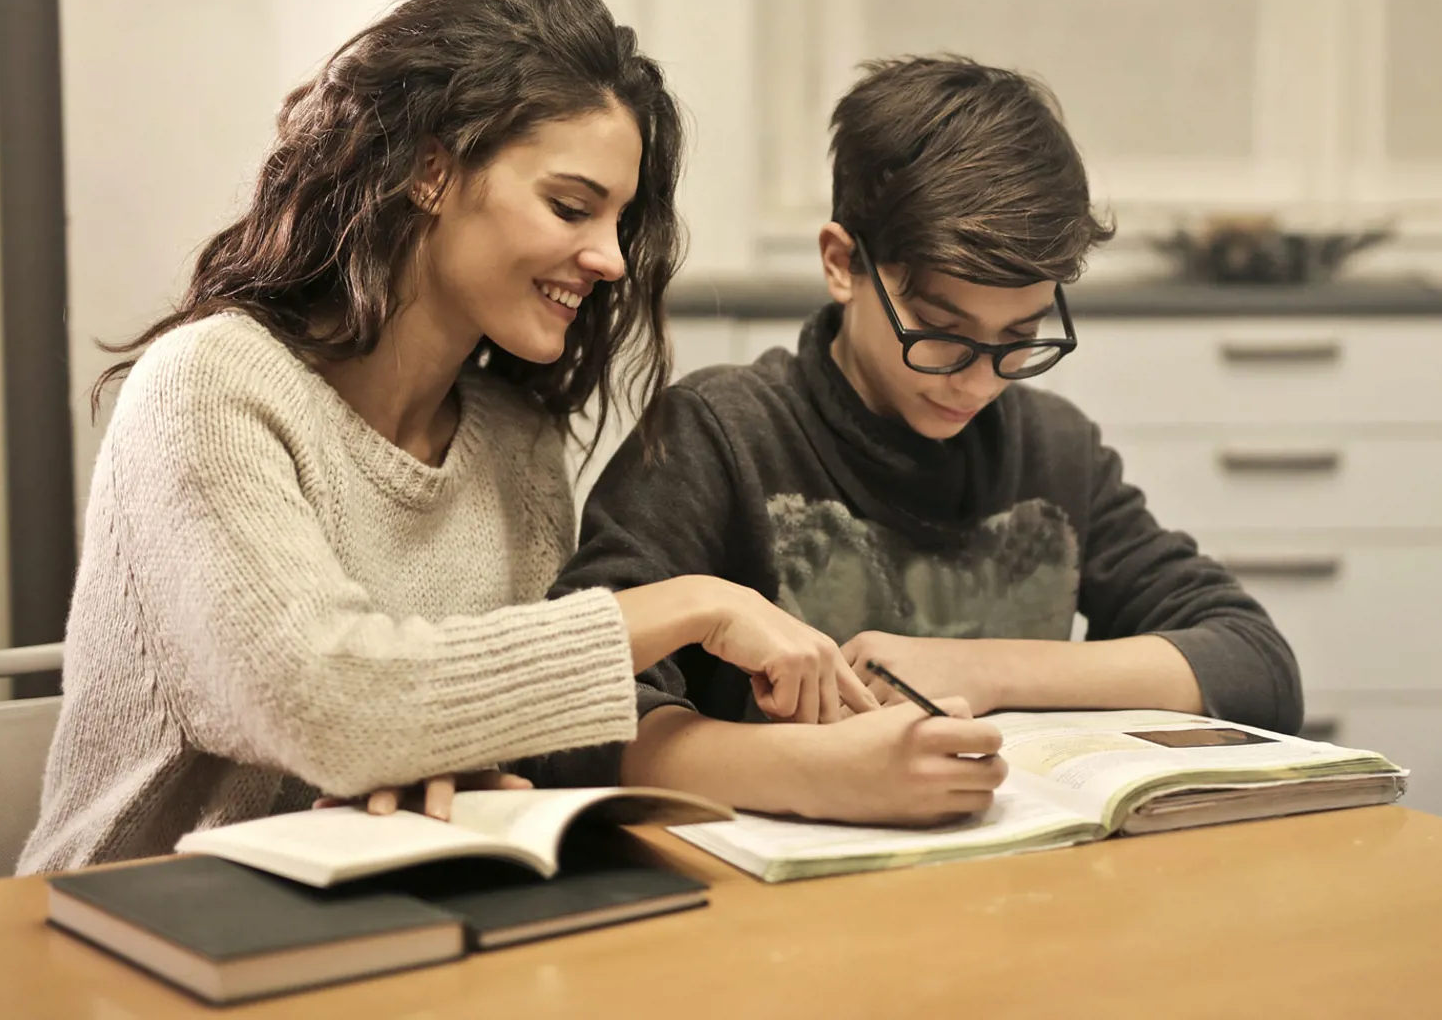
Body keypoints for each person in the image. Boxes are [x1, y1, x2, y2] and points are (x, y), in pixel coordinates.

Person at [19, 0, 876, 875]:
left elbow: (471, 736)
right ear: (432, 170)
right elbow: (332, 704)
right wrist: (694, 603)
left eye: (621, 221)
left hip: (387, 925)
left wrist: (453, 771)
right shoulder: (209, 389)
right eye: (573, 207)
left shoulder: (516, 443)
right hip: (125, 937)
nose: (610, 260)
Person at [553, 55, 1303, 825]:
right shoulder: (717, 438)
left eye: (1020, 336)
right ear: (842, 263)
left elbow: (1254, 663)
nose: (978, 383)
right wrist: (813, 772)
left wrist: (985, 669)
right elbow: (564, 713)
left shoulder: (1054, 449)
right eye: (941, 336)